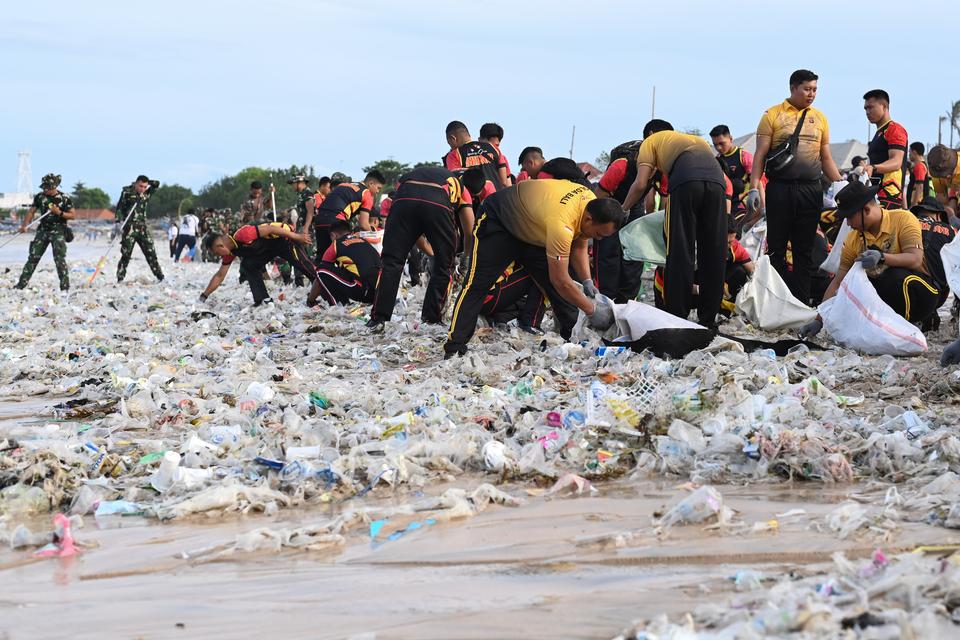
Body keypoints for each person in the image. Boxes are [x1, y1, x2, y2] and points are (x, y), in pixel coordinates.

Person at [444, 181, 624, 357]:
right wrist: (591, 309)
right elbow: (560, 280)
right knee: (477, 285)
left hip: (533, 228)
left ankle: (573, 340)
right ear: (589, 219)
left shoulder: (590, 203)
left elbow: (580, 243)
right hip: (500, 220)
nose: (599, 239)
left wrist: (587, 280)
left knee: (555, 288)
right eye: (599, 234)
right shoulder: (562, 224)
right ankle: (455, 346)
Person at [747, 69, 843, 305]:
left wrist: (842, 185)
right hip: (780, 188)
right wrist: (753, 187)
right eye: (807, 89)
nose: (811, 94)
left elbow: (826, 157)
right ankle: (776, 301)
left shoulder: (820, 118)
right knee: (776, 248)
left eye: (815, 90)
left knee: (804, 250)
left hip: (811, 190)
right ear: (793, 88)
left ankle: (799, 302)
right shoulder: (772, 115)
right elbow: (760, 154)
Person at [619, 123, 728, 328]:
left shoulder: (649, 143)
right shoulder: (689, 139)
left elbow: (641, 183)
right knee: (713, 251)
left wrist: (624, 208)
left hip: (686, 180)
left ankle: (677, 316)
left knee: (680, 250)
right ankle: (708, 318)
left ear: (650, 134)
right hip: (716, 181)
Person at [798, 182, 941, 339]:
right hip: (888, 293)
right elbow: (839, 282)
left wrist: (882, 257)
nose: (848, 224)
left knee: (893, 277)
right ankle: (884, 326)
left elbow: (915, 259)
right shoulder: (853, 238)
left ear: (866, 210)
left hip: (923, 290)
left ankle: (913, 322)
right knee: (855, 287)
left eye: (850, 217)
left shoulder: (902, 219)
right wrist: (819, 320)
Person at [367, 166, 474, 327]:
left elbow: (414, 232)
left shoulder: (422, 174)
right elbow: (469, 231)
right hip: (437, 201)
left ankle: (378, 319)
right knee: (444, 266)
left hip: (404, 198)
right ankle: (431, 319)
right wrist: (466, 256)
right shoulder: (461, 187)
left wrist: (431, 252)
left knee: (391, 262)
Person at [200, 222, 315, 306]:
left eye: (216, 253)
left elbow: (271, 229)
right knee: (248, 264)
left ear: (220, 246)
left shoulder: (243, 234)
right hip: (268, 251)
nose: (218, 256)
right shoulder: (230, 252)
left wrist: (297, 236)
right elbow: (220, 275)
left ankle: (324, 288)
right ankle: (263, 299)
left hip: (283, 240)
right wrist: (204, 296)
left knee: (305, 267)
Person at [308, 171, 385, 263]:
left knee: (322, 256)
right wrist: (374, 236)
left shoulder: (345, 184)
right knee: (342, 255)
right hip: (336, 222)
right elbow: (364, 224)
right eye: (378, 188)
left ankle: (317, 276)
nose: (377, 191)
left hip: (319, 219)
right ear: (371, 183)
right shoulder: (367, 194)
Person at [14, 173, 75, 291]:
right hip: (43, 230)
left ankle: (65, 287)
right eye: (44, 187)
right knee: (33, 257)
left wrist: (59, 213)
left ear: (55, 186)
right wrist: (24, 225)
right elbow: (31, 212)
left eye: (47, 187)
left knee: (59, 259)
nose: (45, 189)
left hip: (58, 232)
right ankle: (20, 285)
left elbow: (72, 215)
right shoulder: (40, 197)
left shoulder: (64, 198)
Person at [313, 220, 382, 305]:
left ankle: (339, 305)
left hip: (362, 291)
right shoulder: (364, 242)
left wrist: (310, 299)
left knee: (321, 269)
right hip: (380, 293)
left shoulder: (336, 245)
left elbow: (321, 275)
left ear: (333, 235)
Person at [861, 89, 909, 209]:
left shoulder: (895, 129)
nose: (867, 112)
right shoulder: (879, 133)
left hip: (889, 195)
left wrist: (873, 167)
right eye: (865, 109)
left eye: (870, 107)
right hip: (876, 193)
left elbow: (896, 162)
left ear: (884, 106)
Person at [710, 124, 763, 227]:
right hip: (726, 206)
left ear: (730, 138)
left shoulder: (743, 156)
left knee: (734, 233)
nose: (719, 148)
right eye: (715, 145)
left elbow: (757, 181)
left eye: (722, 143)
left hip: (744, 207)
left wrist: (763, 207)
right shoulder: (717, 160)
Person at [115, 175, 164, 283]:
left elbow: (157, 183)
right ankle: (120, 278)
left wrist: (148, 183)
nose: (142, 188)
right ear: (136, 183)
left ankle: (160, 277)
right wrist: (118, 223)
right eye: (140, 186)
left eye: (145, 186)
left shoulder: (147, 192)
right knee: (126, 254)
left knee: (151, 252)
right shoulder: (127, 192)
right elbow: (119, 208)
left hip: (142, 227)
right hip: (129, 227)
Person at [443, 121, 510, 198]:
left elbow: (456, 184)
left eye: (449, 143)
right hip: (497, 202)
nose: (450, 147)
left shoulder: (454, 155)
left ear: (453, 138)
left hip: (474, 206)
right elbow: (505, 182)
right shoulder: (494, 149)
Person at [928, 144, 960, 215]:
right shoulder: (937, 169)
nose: (947, 176)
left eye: (950, 171)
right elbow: (941, 197)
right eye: (944, 175)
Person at [907, 143, 934, 208]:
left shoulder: (920, 166)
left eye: (909, 152)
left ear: (914, 152)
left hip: (918, 205)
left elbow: (920, 187)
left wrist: (913, 204)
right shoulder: (920, 165)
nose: (909, 154)